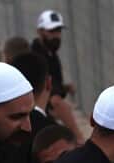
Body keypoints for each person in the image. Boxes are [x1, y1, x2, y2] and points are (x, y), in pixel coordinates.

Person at [31, 10, 83, 144]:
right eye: (51, 31)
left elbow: (53, 84)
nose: (56, 35)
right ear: (40, 31)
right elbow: (52, 97)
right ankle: (79, 139)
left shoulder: (50, 53)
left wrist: (64, 88)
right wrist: (78, 135)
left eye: (58, 31)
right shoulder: (37, 57)